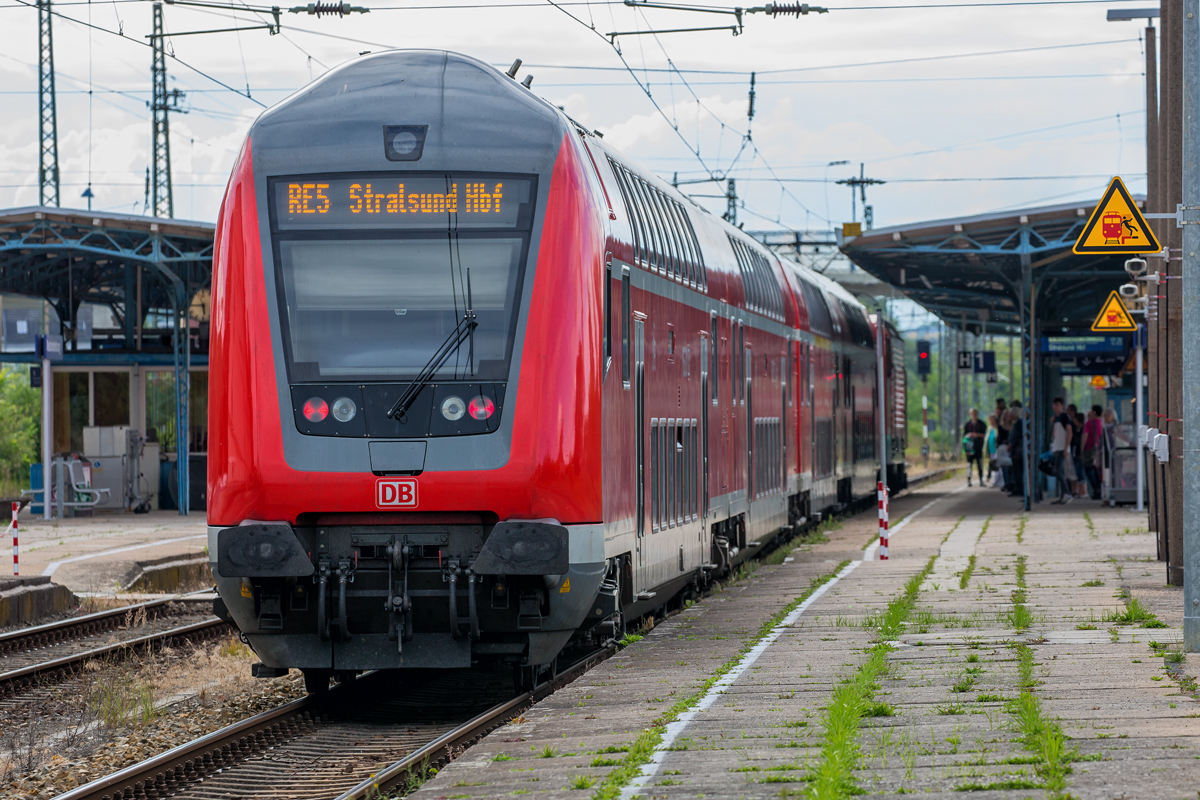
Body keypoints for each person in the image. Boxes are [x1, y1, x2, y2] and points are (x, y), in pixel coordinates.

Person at [1050, 397, 1073, 505]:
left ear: (1061, 405)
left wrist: (1066, 448)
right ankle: (1063, 494)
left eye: (1057, 404)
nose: (1055, 407)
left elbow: (1069, 433)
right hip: (1056, 447)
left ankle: (1067, 493)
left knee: (1058, 471)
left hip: (1061, 448)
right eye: (1054, 405)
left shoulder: (1065, 417)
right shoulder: (1056, 419)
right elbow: (1053, 434)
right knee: (1060, 471)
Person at [1083, 405, 1103, 500]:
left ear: (1094, 412)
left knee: (1089, 470)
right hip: (1099, 449)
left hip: (1090, 449)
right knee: (1096, 471)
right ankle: (1099, 488)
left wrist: (1082, 449)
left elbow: (1085, 436)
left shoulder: (1089, 423)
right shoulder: (1102, 422)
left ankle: (1096, 489)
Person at [964, 408, 987, 487]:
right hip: (970, 448)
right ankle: (969, 480)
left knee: (979, 464)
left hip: (978, 448)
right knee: (969, 464)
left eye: (975, 414)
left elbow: (985, 435)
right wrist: (969, 435)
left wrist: (976, 435)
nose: (974, 415)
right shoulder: (967, 425)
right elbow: (964, 436)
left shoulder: (981, 424)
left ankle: (981, 479)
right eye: (972, 414)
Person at [1008, 401, 1025, 498]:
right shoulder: (1018, 423)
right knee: (1017, 472)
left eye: (1010, 414)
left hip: (1017, 452)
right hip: (1017, 451)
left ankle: (1020, 490)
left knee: (1018, 472)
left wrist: (1011, 446)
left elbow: (1015, 437)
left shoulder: (1018, 424)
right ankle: (1018, 489)